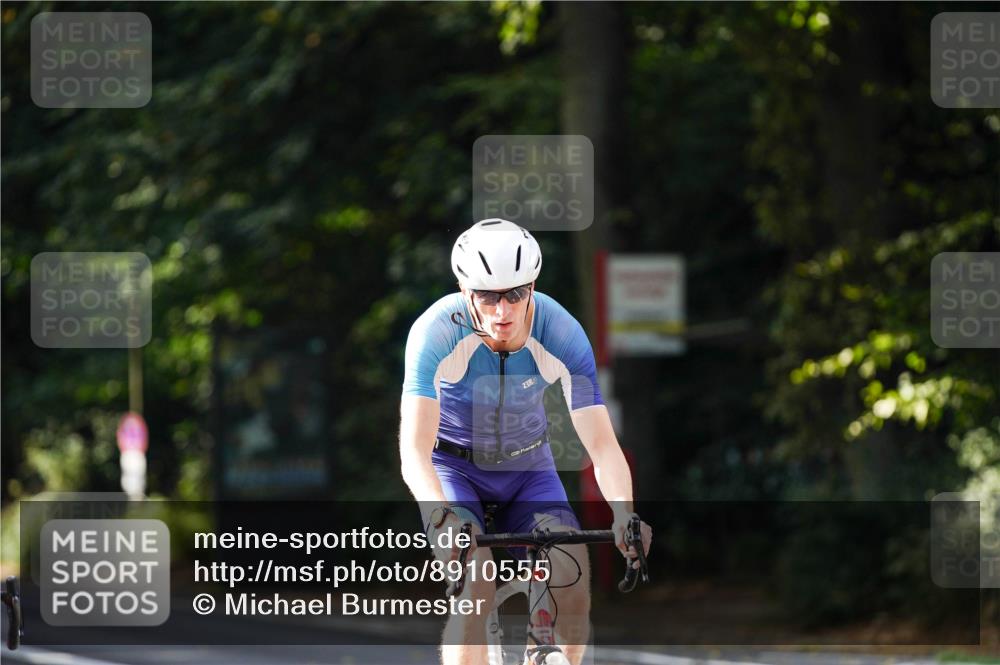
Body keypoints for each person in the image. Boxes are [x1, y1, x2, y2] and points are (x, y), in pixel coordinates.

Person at [399, 219, 651, 665]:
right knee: (474, 585)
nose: (503, 310)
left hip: (528, 470)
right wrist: (440, 516)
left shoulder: (560, 332)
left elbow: (603, 446)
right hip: (454, 470)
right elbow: (414, 450)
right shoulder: (435, 333)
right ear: (463, 290)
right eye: (487, 296)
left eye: (515, 293)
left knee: (571, 575)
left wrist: (624, 514)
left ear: (533, 285)